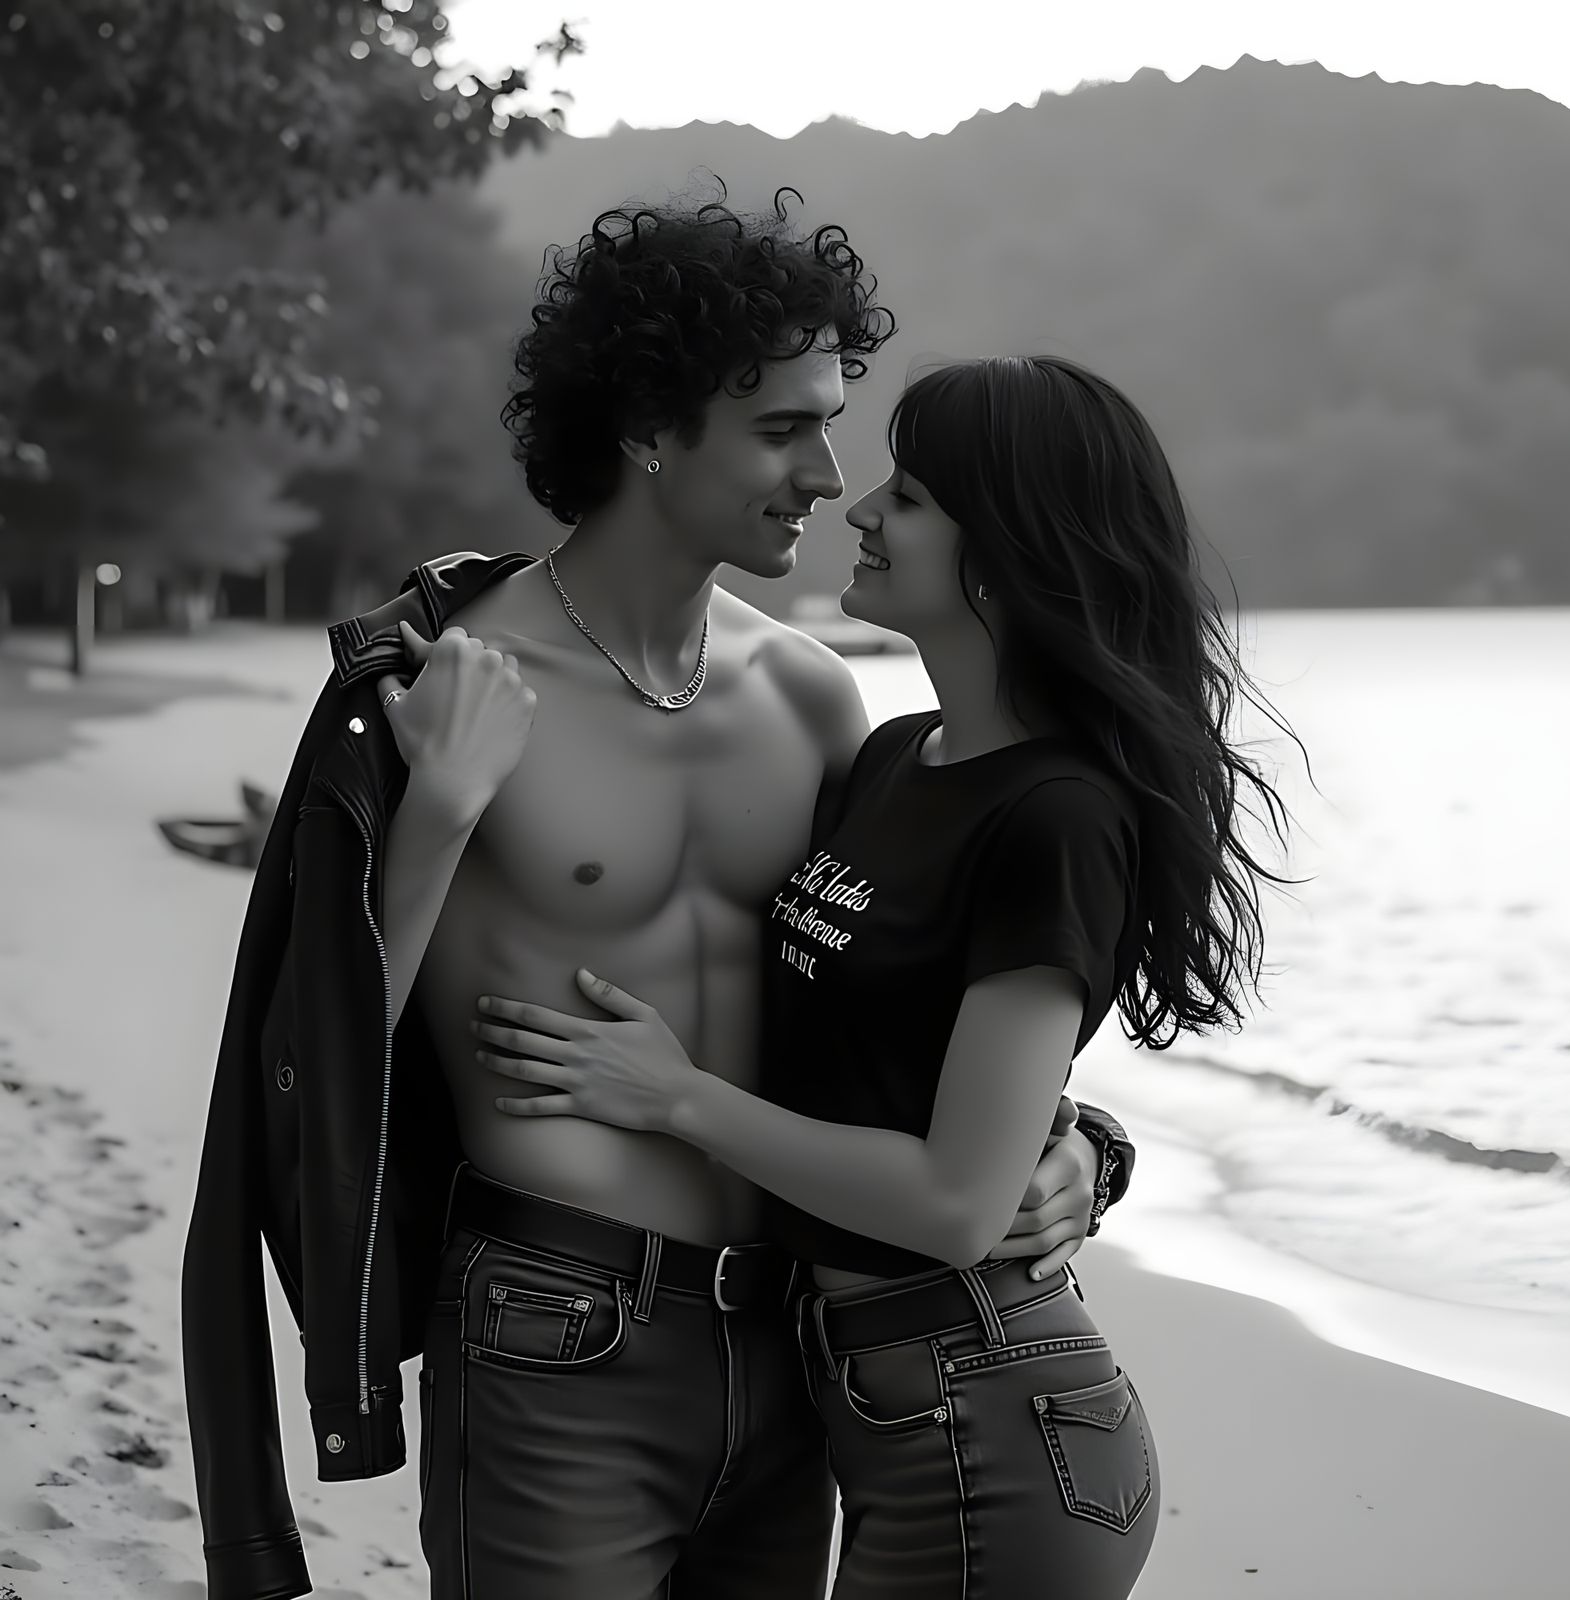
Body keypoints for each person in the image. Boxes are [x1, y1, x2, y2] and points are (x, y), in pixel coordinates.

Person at [180, 188, 1139, 1600]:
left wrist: (1083, 1147)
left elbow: (918, 1000)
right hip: (551, 1324)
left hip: (801, 1349)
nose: (826, 473)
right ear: (644, 430)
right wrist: (438, 815)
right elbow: (313, 1068)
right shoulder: (448, 691)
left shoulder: (815, 700)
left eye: (830, 421)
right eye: (779, 429)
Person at [467, 354, 1298, 1597]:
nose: (857, 506)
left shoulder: (1059, 813)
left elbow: (960, 1201)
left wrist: (676, 1097)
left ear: (1008, 547)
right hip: (862, 1407)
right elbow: (894, 1060)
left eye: (907, 497)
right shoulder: (894, 757)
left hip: (996, 1423)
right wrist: (1088, 1142)